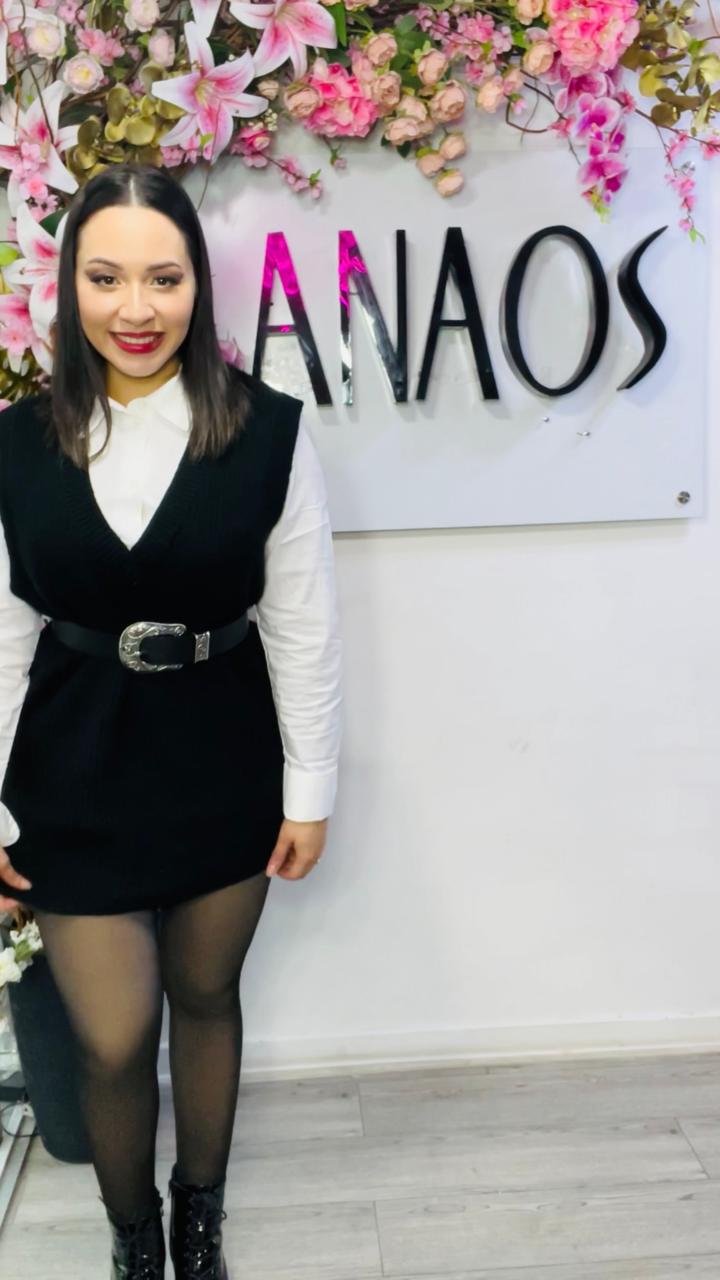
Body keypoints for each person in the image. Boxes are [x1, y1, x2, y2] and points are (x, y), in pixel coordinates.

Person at [0, 161, 343, 1279]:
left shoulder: (269, 432)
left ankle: (200, 1221)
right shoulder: (13, 445)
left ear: (200, 283)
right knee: (108, 1040)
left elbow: (303, 624)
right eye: (106, 277)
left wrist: (310, 788)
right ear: (69, 285)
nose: (136, 308)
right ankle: (133, 1234)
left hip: (222, 759)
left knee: (205, 997)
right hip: (70, 767)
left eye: (165, 277)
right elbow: (1, 637)